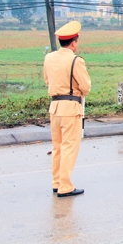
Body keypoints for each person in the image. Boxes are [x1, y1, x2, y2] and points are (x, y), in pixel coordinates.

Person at [43, 21, 91, 197]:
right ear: (74, 42)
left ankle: (56, 183)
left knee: (57, 147)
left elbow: (47, 80)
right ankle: (65, 186)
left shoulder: (49, 58)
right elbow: (85, 87)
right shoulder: (75, 60)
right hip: (71, 107)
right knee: (69, 147)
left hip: (55, 106)